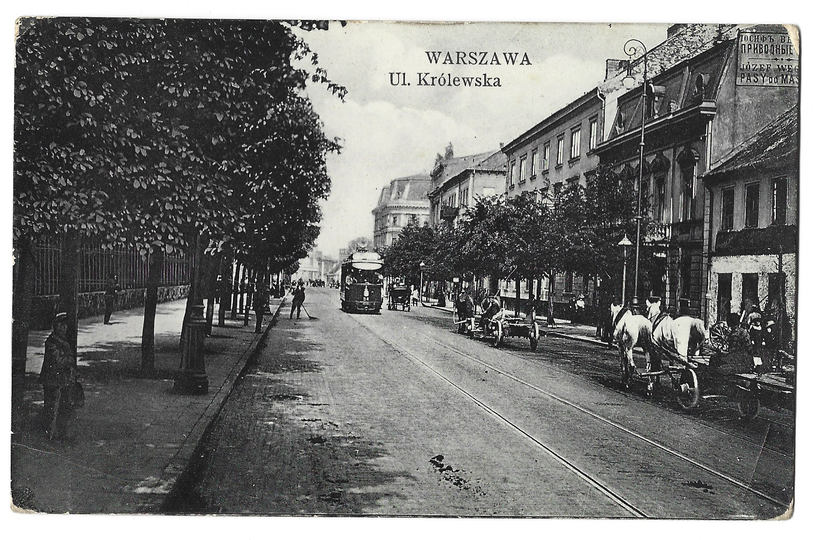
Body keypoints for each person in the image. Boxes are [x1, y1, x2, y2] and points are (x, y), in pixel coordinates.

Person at [40, 313, 78, 441]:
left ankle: (61, 434)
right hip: (52, 381)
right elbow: (59, 361)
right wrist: (69, 359)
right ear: (56, 326)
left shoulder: (62, 341)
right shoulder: (52, 342)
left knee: (64, 408)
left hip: (62, 380)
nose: (64, 327)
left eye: (65, 325)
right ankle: (49, 436)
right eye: (61, 325)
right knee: (51, 409)